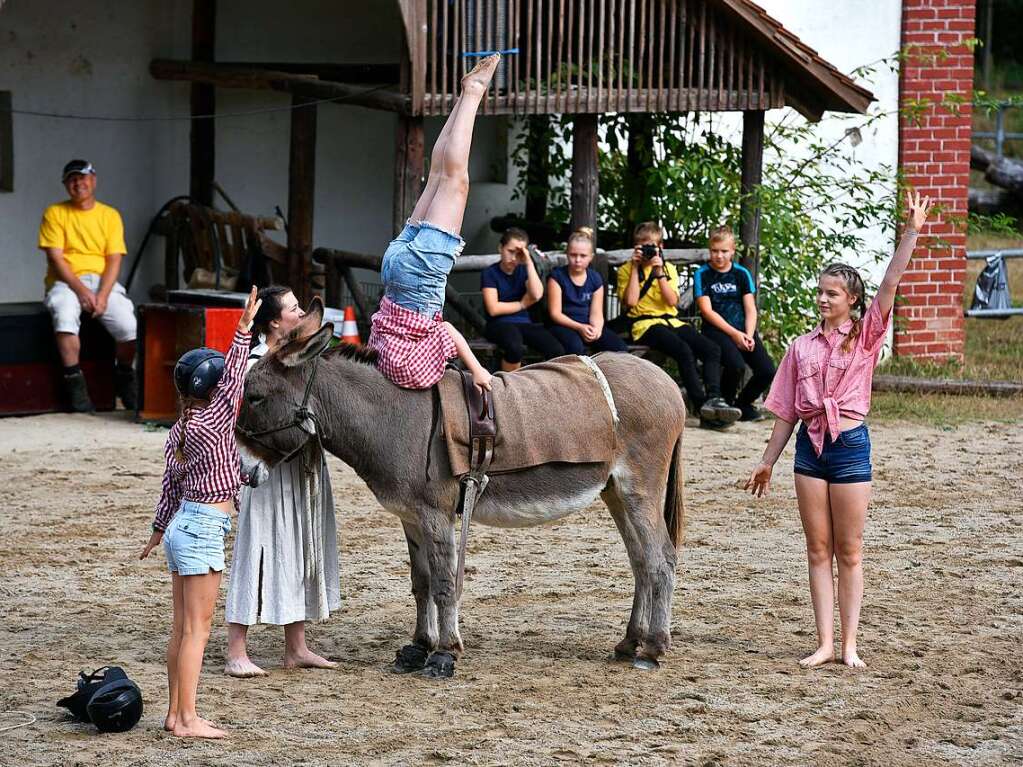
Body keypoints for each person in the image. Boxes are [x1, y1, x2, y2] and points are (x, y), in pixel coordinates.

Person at [745, 191, 932, 669]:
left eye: (833, 293)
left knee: (849, 550)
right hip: (809, 451)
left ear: (851, 300)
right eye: (820, 291)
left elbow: (890, 285)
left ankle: (849, 644)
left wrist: (910, 232)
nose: (823, 299)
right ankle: (824, 642)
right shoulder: (799, 347)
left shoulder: (866, 337)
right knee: (817, 549)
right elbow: (786, 410)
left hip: (849, 445)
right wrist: (768, 461)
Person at [139, 286, 262, 739]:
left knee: (181, 629)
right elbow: (233, 376)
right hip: (204, 526)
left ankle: (175, 714)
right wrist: (245, 326)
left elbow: (170, 486)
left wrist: (157, 529)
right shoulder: (217, 420)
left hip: (181, 525)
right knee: (197, 631)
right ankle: (187, 719)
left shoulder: (180, 430)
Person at [224, 286, 340, 677]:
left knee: (301, 547)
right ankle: (236, 650)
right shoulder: (256, 362)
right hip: (266, 471)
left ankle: (297, 647)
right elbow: (238, 417)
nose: (301, 312)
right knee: (256, 550)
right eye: (293, 308)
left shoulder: (299, 358)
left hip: (302, 468)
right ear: (275, 321)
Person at [368, 54, 503, 392]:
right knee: (438, 177)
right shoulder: (385, 363)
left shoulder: (415, 373)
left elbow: (444, 333)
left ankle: (472, 92)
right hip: (394, 274)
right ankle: (463, 98)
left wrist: (478, 371)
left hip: (419, 280)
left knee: (456, 179)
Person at [617, 221, 741, 427]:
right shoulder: (626, 270)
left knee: (711, 349)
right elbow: (630, 302)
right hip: (644, 325)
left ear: (660, 248)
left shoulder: (668, 269)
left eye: (652, 247)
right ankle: (702, 409)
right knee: (683, 351)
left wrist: (659, 273)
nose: (648, 251)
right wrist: (635, 268)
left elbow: (672, 301)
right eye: (643, 247)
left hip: (671, 321)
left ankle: (715, 399)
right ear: (636, 248)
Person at [38, 159, 137, 412]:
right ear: (65, 185)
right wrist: (82, 292)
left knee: (129, 326)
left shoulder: (109, 215)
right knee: (64, 316)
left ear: (93, 180)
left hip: (103, 282)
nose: (78, 183)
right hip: (66, 281)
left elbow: (114, 258)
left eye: (82, 177)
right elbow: (56, 258)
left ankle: (125, 377)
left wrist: (102, 295)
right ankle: (76, 388)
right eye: (72, 179)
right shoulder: (55, 213)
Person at [694, 225, 776, 421]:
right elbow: (706, 310)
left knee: (767, 370)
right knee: (736, 365)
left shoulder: (741, 274)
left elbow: (750, 308)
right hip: (716, 330)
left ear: (732, 251)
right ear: (709, 250)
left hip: (743, 329)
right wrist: (734, 334)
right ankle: (723, 405)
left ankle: (742, 405)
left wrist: (748, 333)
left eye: (724, 251)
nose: (719, 256)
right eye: (714, 251)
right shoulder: (703, 274)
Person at [482, 227, 565, 370]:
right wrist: (521, 304)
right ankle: (510, 388)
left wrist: (528, 262)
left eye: (518, 253)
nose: (513, 258)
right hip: (498, 324)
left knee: (556, 350)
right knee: (515, 348)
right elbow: (493, 309)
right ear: (500, 248)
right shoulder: (490, 273)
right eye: (510, 251)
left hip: (524, 323)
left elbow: (536, 294)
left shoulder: (524, 270)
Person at [546, 227, 627, 354]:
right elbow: (555, 314)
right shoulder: (557, 277)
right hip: (563, 325)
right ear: (567, 254)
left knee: (619, 348)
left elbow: (596, 312)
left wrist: (597, 329)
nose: (578, 260)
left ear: (591, 257)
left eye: (583, 256)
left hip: (587, 325)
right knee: (576, 349)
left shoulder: (595, 279)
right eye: (573, 255)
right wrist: (580, 327)